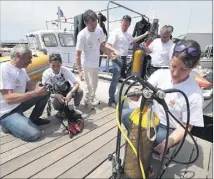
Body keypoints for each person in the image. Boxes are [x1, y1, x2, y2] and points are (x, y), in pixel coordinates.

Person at [122, 39, 204, 161]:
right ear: (170, 59)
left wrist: (168, 143)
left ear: (193, 67)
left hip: (169, 129)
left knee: (156, 138)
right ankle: (144, 141)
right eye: (174, 66)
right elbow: (143, 88)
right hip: (150, 119)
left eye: (183, 69)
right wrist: (137, 93)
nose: (176, 73)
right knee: (124, 114)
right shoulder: (160, 74)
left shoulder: (195, 94)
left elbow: (186, 126)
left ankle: (162, 146)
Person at [0, 45, 50, 142]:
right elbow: (8, 98)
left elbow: (29, 85)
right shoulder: (4, 70)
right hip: (7, 113)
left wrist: (40, 87)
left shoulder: (21, 69)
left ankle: (34, 118)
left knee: (45, 92)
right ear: (18, 55)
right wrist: (33, 93)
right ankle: (5, 126)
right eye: (29, 58)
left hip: (19, 104)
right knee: (34, 134)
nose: (31, 61)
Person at [76, 9, 119, 108]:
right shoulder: (82, 35)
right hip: (86, 64)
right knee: (88, 85)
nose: (94, 25)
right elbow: (77, 54)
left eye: (95, 22)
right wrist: (79, 71)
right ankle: (87, 102)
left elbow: (102, 46)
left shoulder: (99, 30)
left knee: (95, 84)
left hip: (96, 62)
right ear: (86, 23)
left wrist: (110, 54)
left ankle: (91, 98)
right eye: (91, 23)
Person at [107, 15, 149, 107]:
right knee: (116, 76)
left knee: (124, 77)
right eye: (123, 24)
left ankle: (122, 96)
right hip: (116, 58)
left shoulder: (128, 35)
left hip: (125, 59)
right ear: (121, 23)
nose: (124, 26)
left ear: (129, 25)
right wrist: (114, 51)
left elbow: (134, 40)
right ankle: (111, 100)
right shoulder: (116, 32)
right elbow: (108, 45)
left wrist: (145, 34)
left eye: (126, 25)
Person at [42, 54, 84, 133]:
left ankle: (75, 108)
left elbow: (77, 83)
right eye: (53, 66)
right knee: (56, 104)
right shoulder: (46, 74)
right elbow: (44, 90)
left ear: (61, 64)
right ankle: (61, 112)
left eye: (58, 65)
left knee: (79, 91)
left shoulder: (65, 70)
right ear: (49, 64)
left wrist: (71, 93)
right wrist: (56, 95)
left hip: (67, 91)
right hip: (56, 94)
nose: (56, 68)